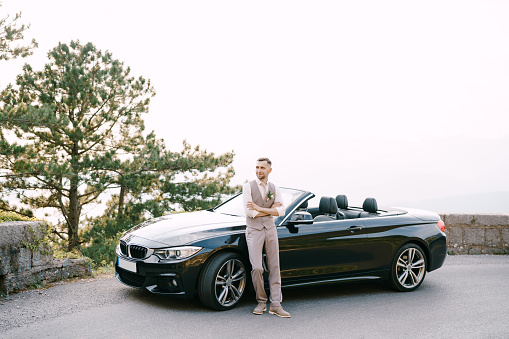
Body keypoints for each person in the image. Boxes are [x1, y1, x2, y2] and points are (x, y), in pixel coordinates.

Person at [243, 157, 290, 318]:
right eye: (257, 167)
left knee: (274, 266)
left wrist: (259, 208)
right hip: (254, 230)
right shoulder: (247, 187)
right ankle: (261, 301)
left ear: (269, 170)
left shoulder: (274, 187)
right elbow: (250, 212)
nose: (259, 171)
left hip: (270, 229)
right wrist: (270, 210)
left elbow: (282, 211)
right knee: (257, 267)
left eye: (262, 168)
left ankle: (276, 304)